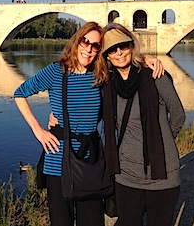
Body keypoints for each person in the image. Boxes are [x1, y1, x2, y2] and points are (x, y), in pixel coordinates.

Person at [13, 22, 163, 226]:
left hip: (91, 162)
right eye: (85, 41)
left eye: (95, 46)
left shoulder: (102, 74)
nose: (89, 49)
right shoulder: (56, 72)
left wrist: (146, 58)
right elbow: (20, 93)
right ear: (77, 41)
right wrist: (38, 130)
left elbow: (125, 63)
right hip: (58, 162)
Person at [100, 23, 185, 226]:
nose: (119, 52)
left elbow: (178, 116)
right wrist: (57, 115)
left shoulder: (155, 75)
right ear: (106, 56)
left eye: (123, 46)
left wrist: (161, 142)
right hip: (126, 175)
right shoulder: (107, 84)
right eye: (112, 49)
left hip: (162, 172)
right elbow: (88, 112)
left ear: (131, 46)